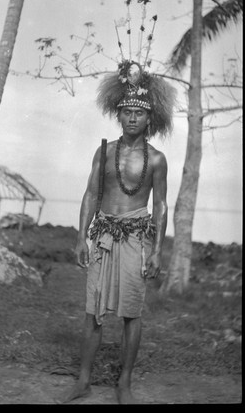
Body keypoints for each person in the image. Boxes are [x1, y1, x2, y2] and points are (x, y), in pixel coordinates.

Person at [60, 60, 176, 404]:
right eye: (126, 112)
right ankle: (83, 380)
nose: (132, 118)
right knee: (92, 311)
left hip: (137, 238)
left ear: (148, 119)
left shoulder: (156, 159)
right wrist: (81, 236)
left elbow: (162, 205)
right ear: (119, 114)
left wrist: (156, 250)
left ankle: (124, 384)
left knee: (131, 313)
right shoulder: (104, 151)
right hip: (104, 235)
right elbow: (90, 194)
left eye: (138, 113)